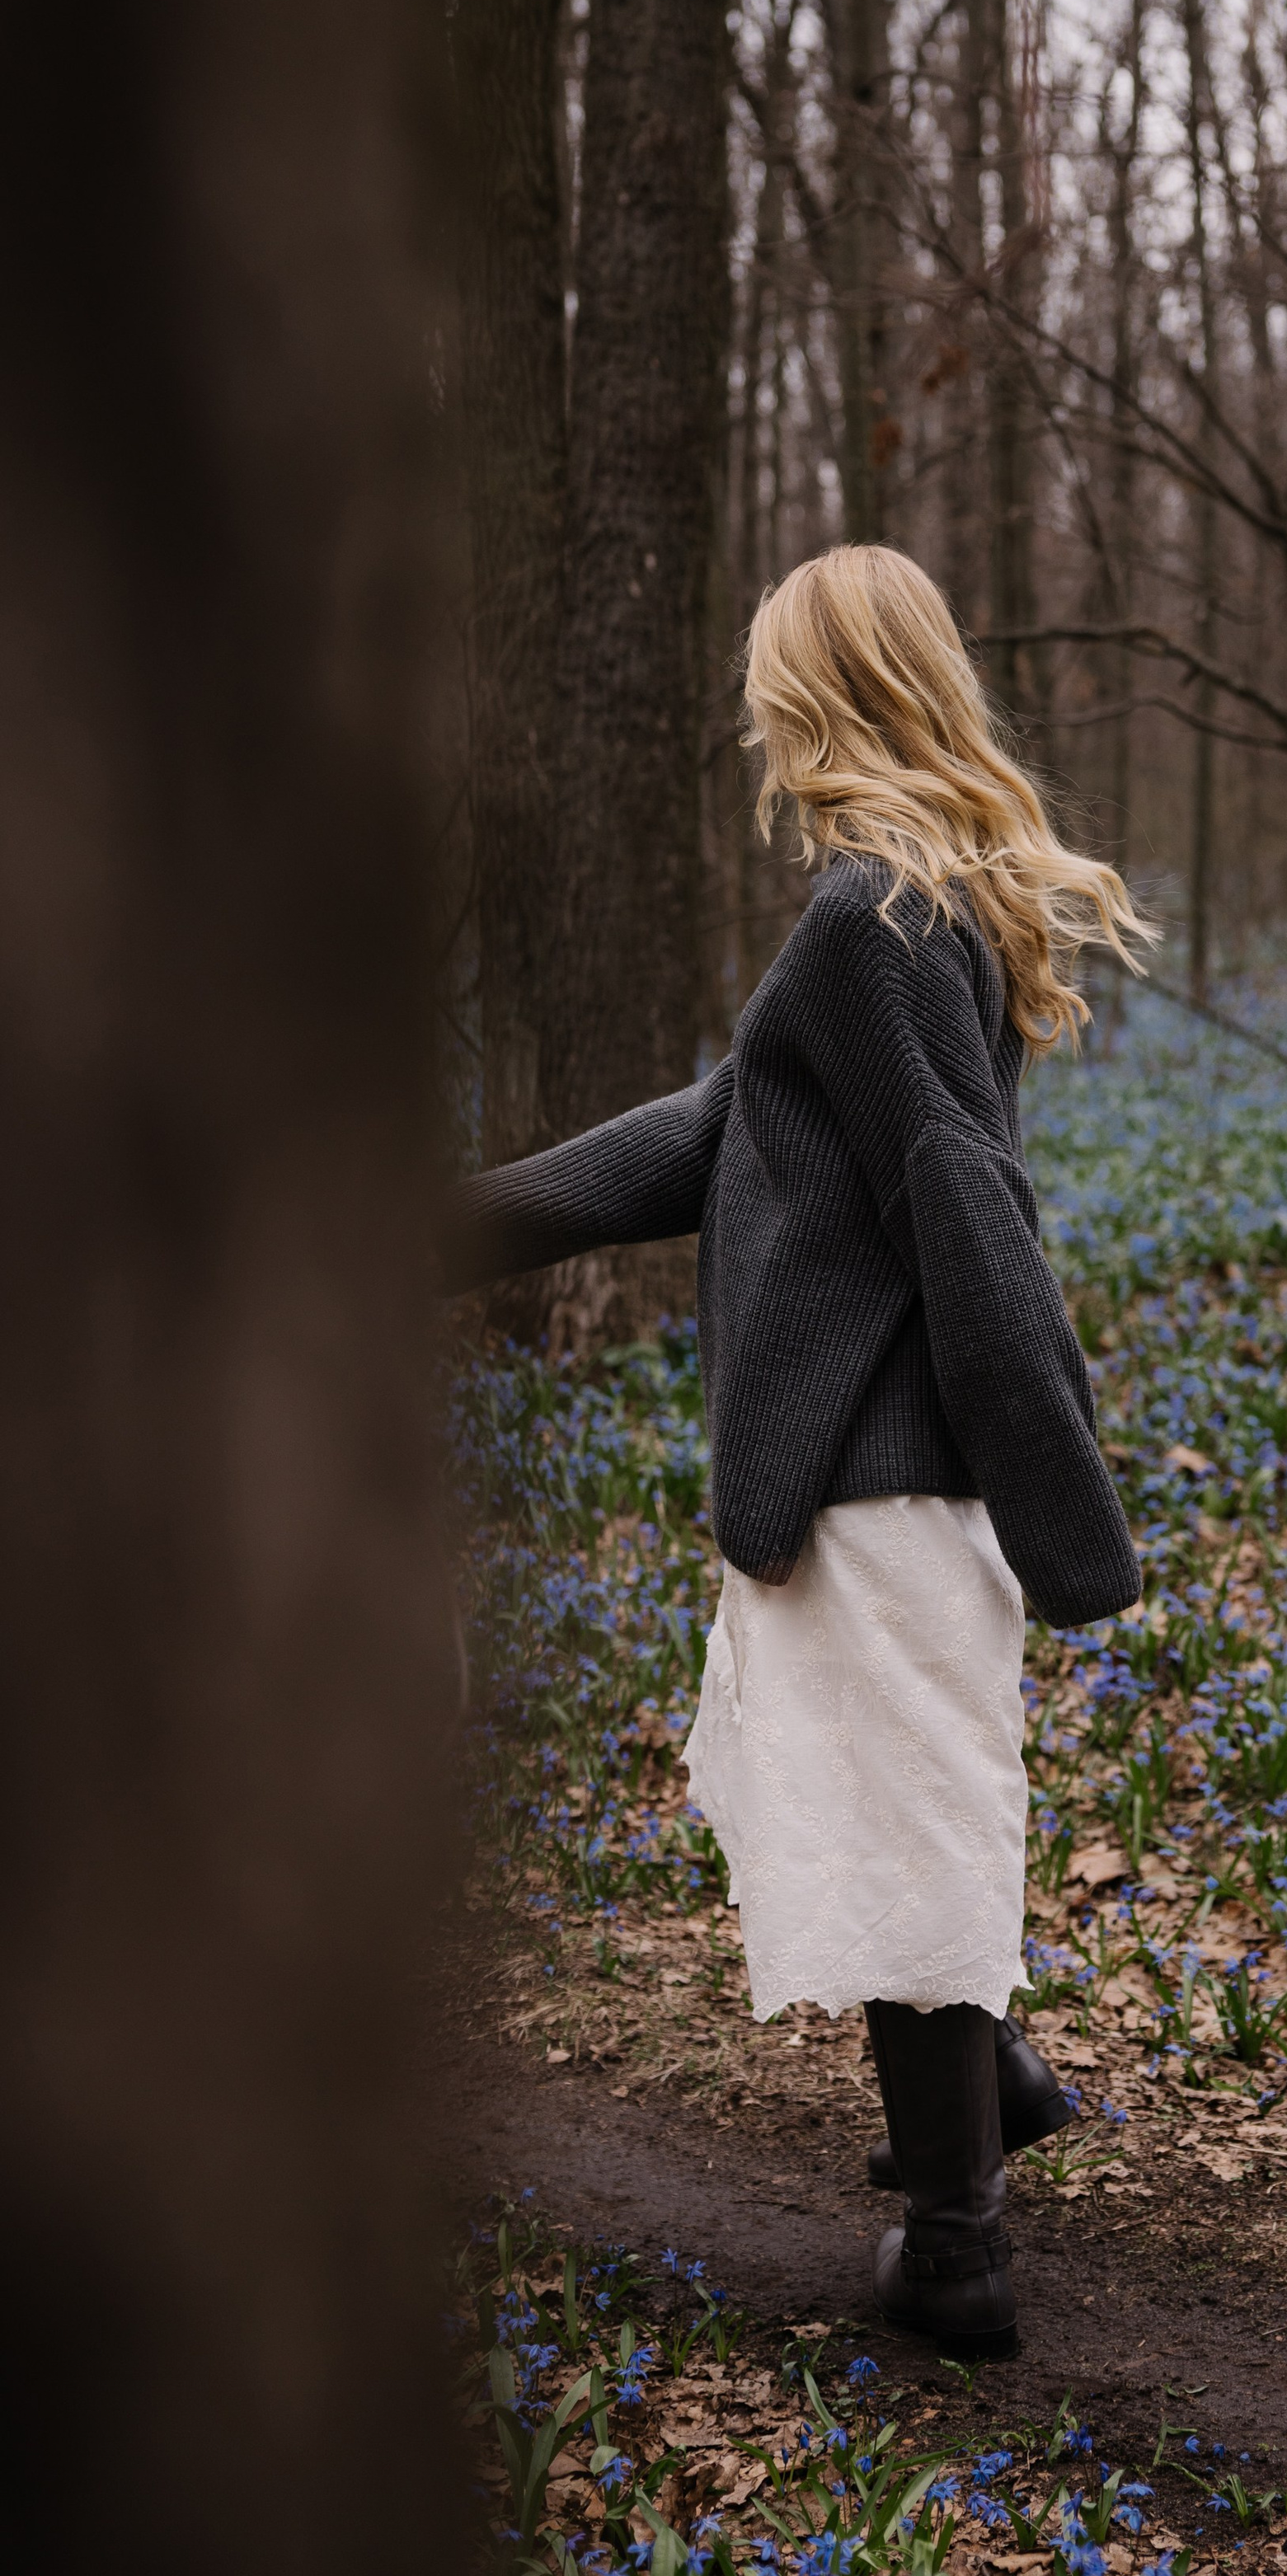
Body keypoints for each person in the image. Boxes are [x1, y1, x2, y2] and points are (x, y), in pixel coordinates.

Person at [444, 544, 1151, 2360]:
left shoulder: (873, 915)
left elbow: (960, 1199)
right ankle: (978, 2088)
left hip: (890, 1477)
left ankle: (956, 2243)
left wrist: (1057, 1487)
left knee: (899, 1841)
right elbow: (718, 1126)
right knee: (840, 1802)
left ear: (819, 687)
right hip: (869, 1474)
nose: (752, 706)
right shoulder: (905, 905)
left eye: (770, 673)